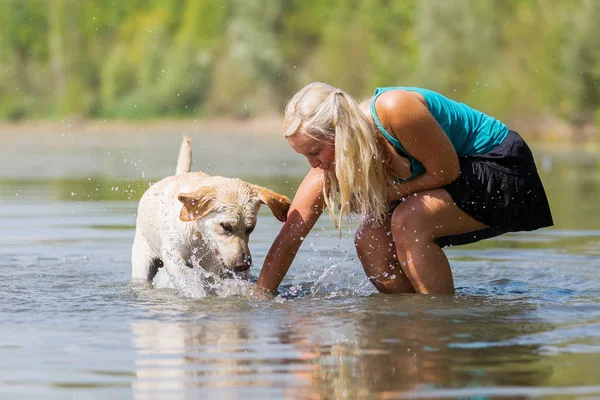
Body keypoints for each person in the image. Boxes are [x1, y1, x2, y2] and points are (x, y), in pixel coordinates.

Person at [256, 82, 553, 295]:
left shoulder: (394, 109)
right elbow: (290, 236)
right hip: (451, 180)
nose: (313, 164)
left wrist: (385, 195)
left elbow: (446, 171)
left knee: (408, 221)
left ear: (340, 133)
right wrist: (261, 298)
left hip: (500, 166)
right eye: (304, 156)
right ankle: (408, 329)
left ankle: (438, 324)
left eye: (315, 152)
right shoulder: (326, 166)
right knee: (369, 238)